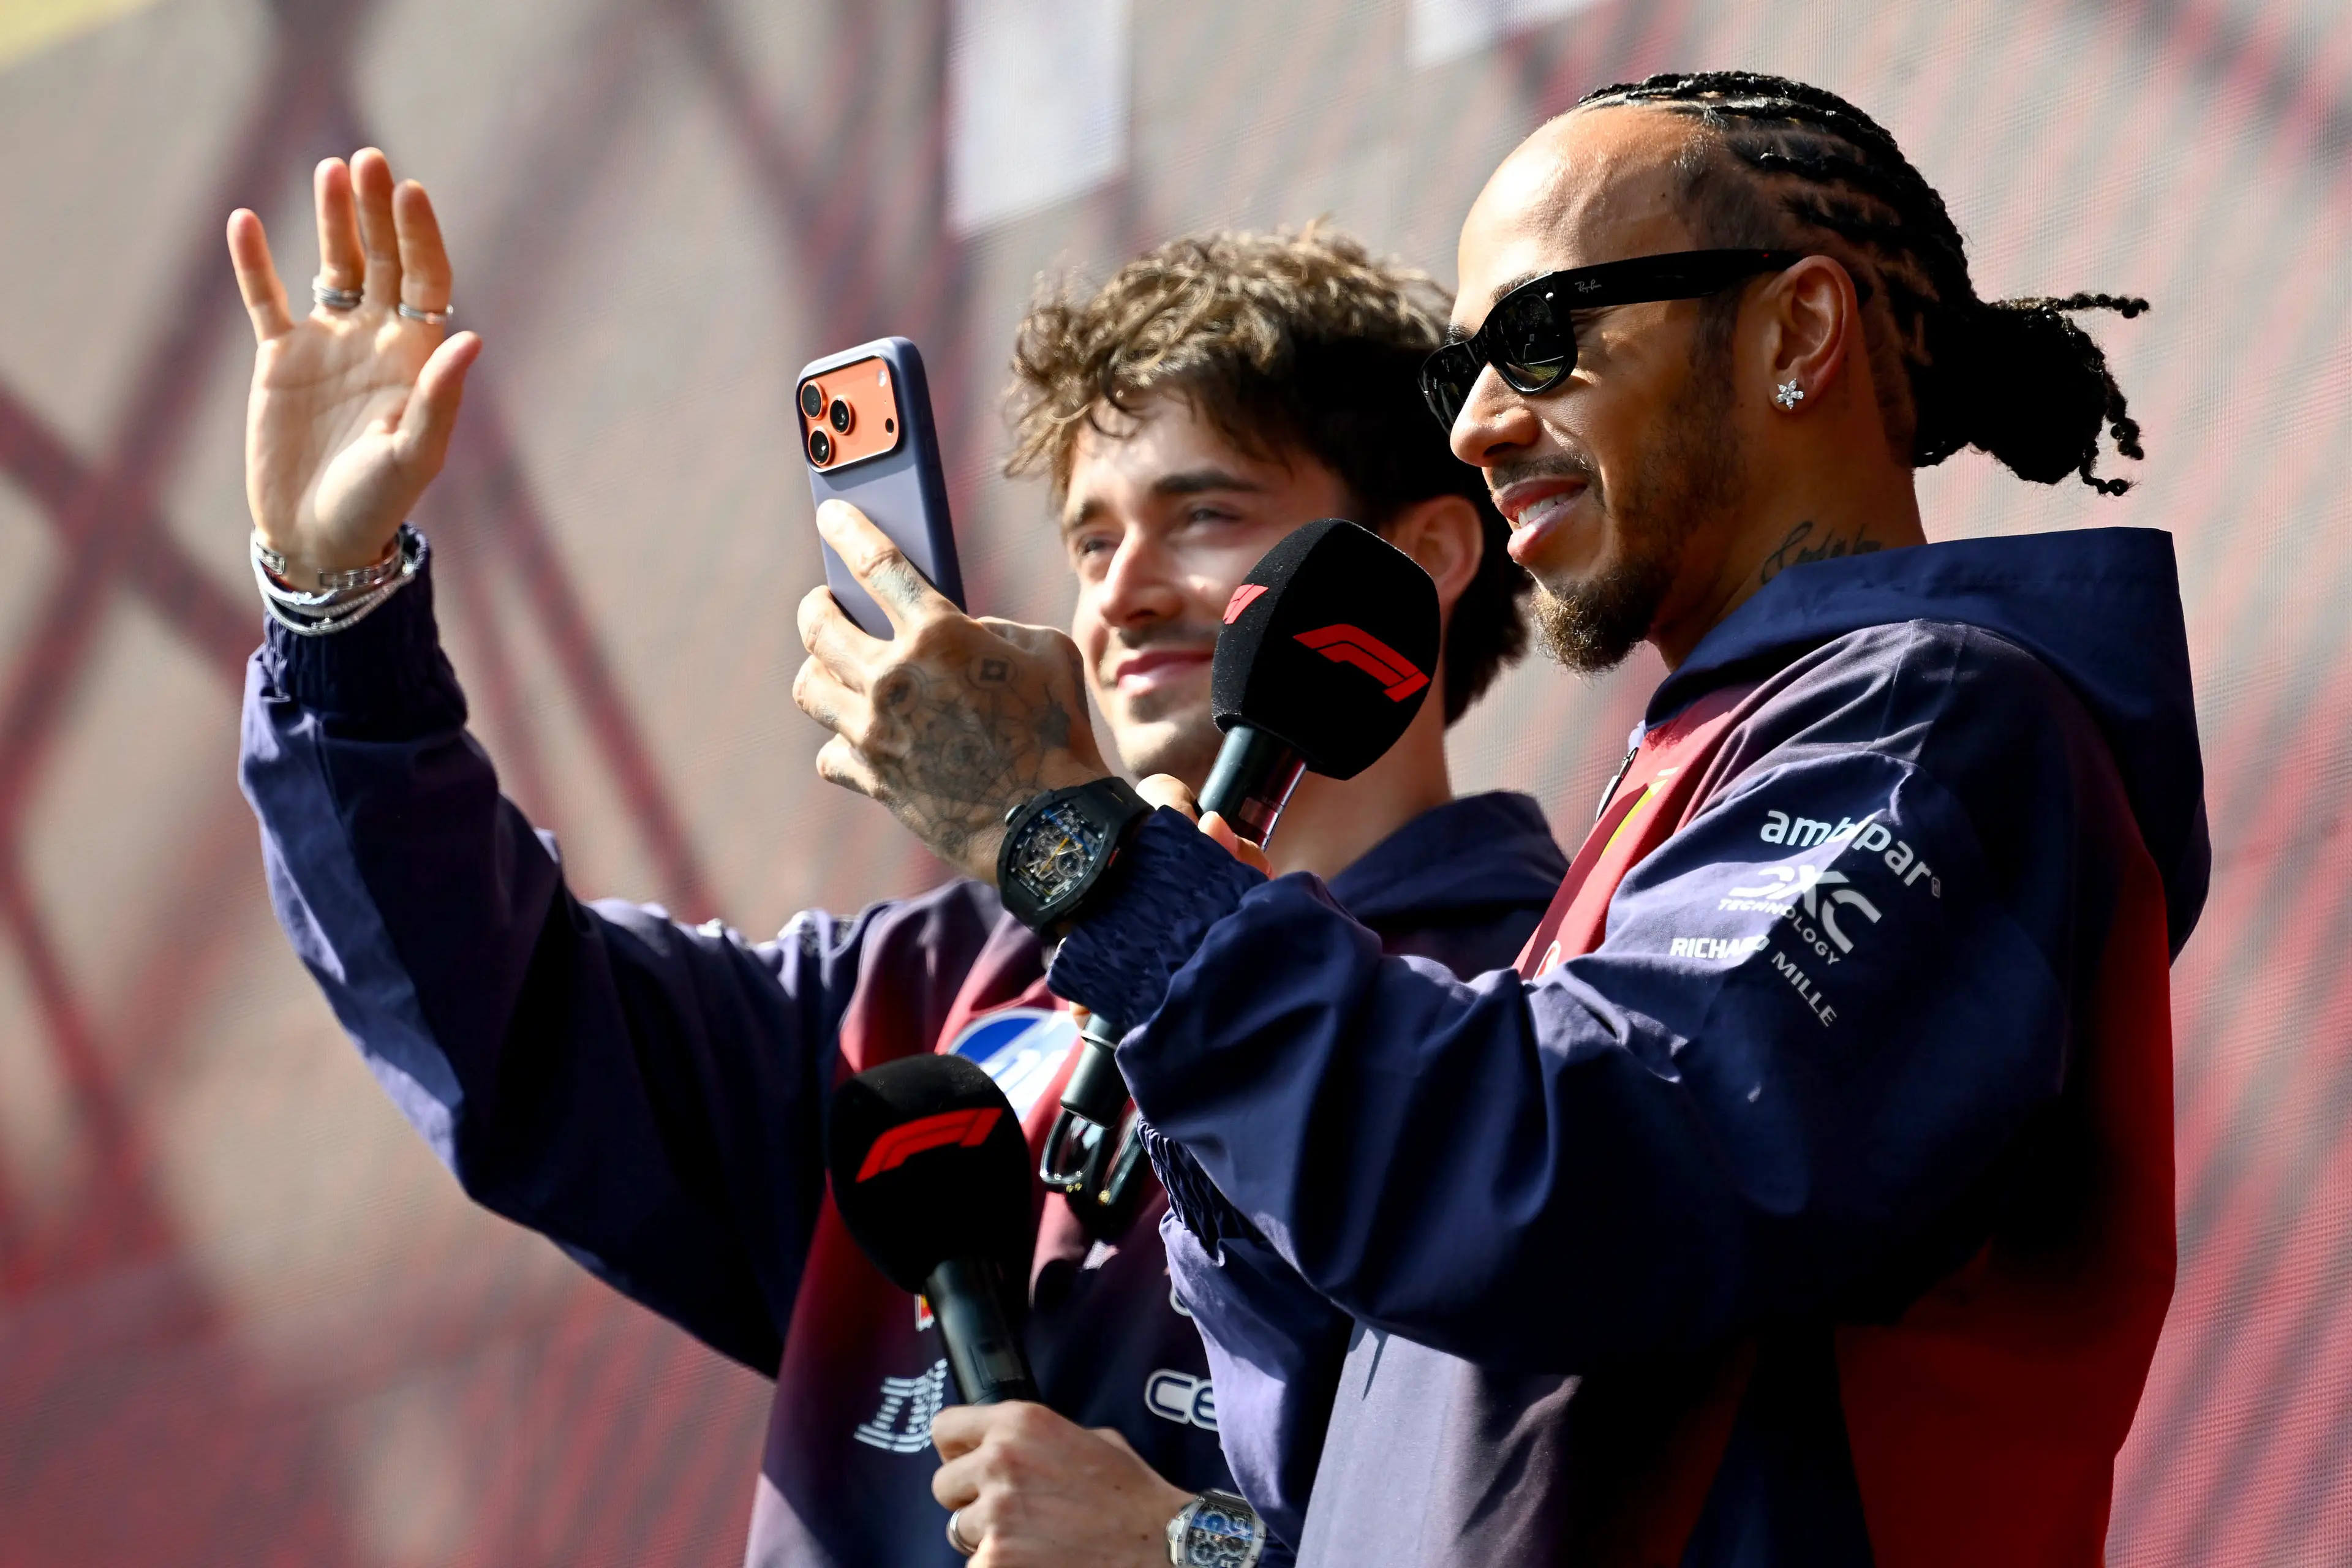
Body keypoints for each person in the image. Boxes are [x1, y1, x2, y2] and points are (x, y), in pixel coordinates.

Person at [791, 71, 2208, 1566]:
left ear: (1797, 331)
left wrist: (1064, 835)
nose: (1475, 421)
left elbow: (1579, 1177)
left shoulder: (1935, 723)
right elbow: (1399, 1458)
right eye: (1456, 370)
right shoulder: (1710, 770)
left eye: (1542, 336)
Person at [226, 149, 1556, 1567]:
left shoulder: (1548, 1021)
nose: (1120, 587)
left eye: (1205, 512)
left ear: (1422, 557)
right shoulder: (922, 998)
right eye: (1089, 536)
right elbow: (505, 1022)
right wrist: (338, 608)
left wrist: (1194, 1546)